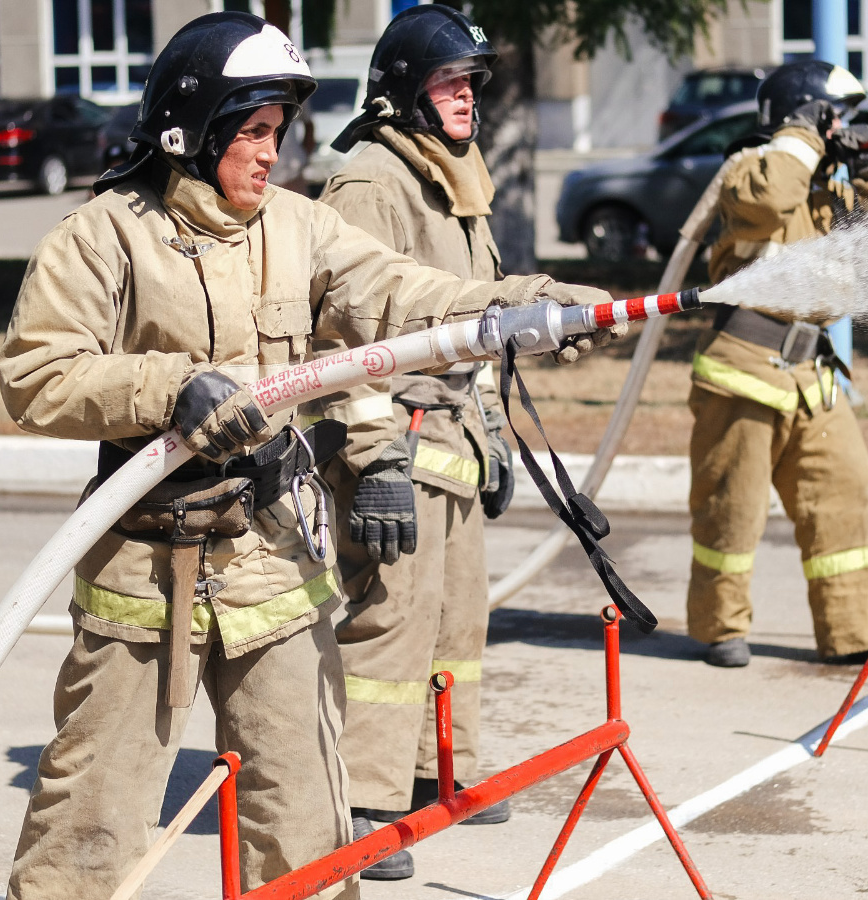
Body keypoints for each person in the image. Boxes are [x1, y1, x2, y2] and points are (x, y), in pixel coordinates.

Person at [0, 13, 617, 900]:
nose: (270, 154)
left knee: (305, 823)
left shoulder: (296, 227)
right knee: (89, 819)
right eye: (251, 132)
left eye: (278, 133)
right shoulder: (104, 235)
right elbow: (37, 376)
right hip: (144, 573)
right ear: (191, 127)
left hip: (272, 565)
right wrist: (169, 389)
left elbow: (401, 293)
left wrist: (521, 305)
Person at [316, 5, 512, 881]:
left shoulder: (458, 173)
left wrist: (496, 435)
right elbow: (340, 334)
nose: (466, 95)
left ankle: (445, 770)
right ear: (404, 92)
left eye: (472, 81)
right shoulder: (371, 183)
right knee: (391, 620)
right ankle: (366, 799)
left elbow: (483, 320)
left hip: (455, 437)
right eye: (448, 81)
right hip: (395, 442)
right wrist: (376, 463)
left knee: (456, 620)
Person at [675, 60, 868, 671]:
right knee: (732, 508)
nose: (846, 126)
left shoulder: (827, 185)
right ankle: (720, 627)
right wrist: (802, 137)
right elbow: (769, 199)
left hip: (813, 374)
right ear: (806, 114)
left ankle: (861, 629)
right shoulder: (751, 170)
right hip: (744, 368)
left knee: (847, 497)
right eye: (835, 114)